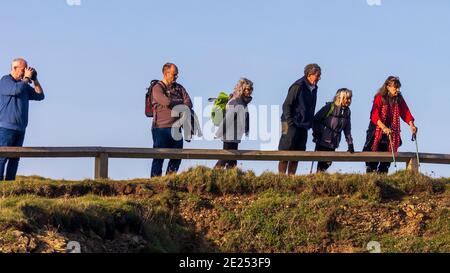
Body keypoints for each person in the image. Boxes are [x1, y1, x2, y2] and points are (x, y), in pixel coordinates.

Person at [0, 58, 45, 181]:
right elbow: (16, 90)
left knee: (15, 159)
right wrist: (26, 79)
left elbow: (40, 95)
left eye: (27, 69)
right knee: (1, 158)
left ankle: (10, 185)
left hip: (20, 129)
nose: (26, 72)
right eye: (23, 69)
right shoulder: (5, 80)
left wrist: (35, 79)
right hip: (5, 128)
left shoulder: (23, 85)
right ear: (14, 68)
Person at [362, 76, 418, 174]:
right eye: (395, 87)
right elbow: (374, 115)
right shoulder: (379, 97)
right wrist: (383, 127)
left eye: (398, 87)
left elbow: (405, 112)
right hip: (376, 131)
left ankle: (383, 175)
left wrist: (411, 125)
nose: (398, 90)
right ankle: (371, 176)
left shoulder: (398, 99)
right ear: (388, 86)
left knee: (386, 159)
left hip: (391, 132)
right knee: (373, 157)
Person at [150, 63, 193, 177]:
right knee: (159, 158)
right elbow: (166, 102)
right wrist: (181, 104)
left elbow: (189, 104)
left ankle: (169, 180)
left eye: (177, 74)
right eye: (174, 74)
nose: (176, 77)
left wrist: (180, 105)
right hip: (161, 128)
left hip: (176, 129)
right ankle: (155, 182)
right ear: (166, 73)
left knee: (177, 157)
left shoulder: (179, 88)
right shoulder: (157, 88)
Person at [278, 63, 321, 175]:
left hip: (303, 125)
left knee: (298, 153)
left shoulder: (314, 88)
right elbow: (286, 105)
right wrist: (290, 122)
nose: (319, 78)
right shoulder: (298, 86)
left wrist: (310, 123)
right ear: (309, 74)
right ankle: (281, 179)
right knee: (285, 151)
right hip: (289, 122)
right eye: (317, 75)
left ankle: (291, 178)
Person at [214, 78, 253, 169]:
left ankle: (230, 180)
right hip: (229, 135)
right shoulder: (235, 101)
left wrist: (246, 129)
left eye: (251, 89)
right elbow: (228, 119)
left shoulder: (242, 102)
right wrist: (219, 133)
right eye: (247, 89)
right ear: (241, 89)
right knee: (225, 158)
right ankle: (212, 176)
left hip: (236, 135)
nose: (249, 91)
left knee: (232, 160)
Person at [312, 88, 354, 172]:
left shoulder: (347, 112)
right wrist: (316, 132)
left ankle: (319, 178)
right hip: (323, 139)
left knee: (328, 163)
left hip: (334, 142)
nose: (349, 100)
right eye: (347, 98)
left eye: (350, 98)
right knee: (322, 163)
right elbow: (316, 119)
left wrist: (350, 144)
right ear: (340, 98)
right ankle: (318, 179)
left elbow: (347, 129)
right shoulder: (330, 107)